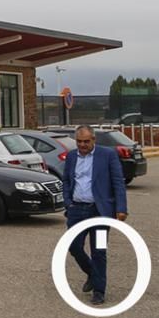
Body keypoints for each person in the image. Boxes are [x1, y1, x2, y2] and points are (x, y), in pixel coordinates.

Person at [62, 125, 128, 305]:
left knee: (98, 250)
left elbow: (118, 182)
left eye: (86, 141)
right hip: (77, 210)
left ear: (93, 140)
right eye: (79, 141)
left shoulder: (107, 155)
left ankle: (99, 290)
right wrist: (68, 202)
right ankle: (92, 273)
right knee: (74, 246)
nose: (82, 145)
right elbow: (66, 180)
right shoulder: (71, 156)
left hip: (100, 212)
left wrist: (121, 208)